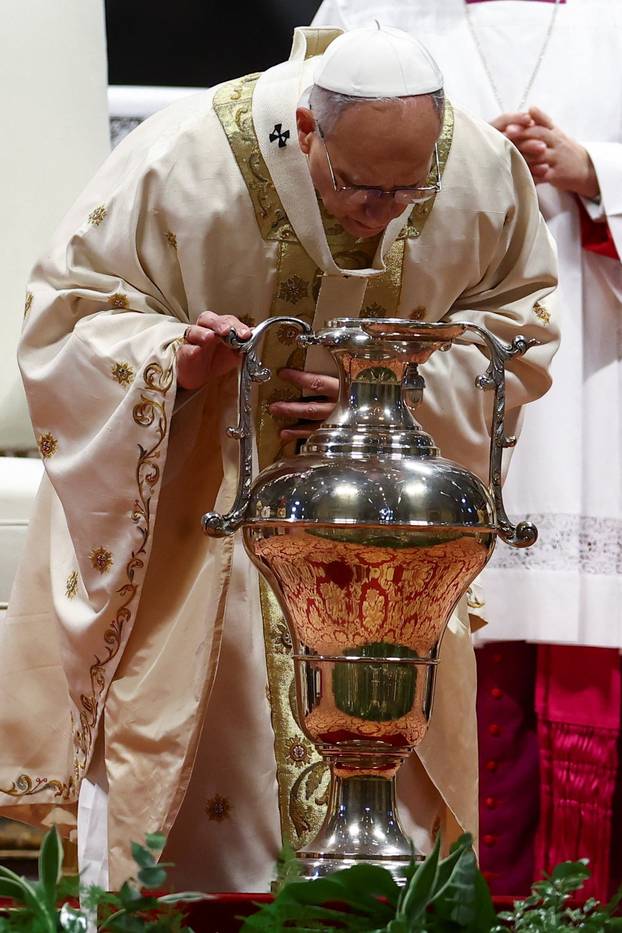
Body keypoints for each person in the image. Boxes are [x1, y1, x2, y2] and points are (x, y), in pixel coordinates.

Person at [0, 24, 559, 892]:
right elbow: (67, 318)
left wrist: (389, 397)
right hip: (210, 513)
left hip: (386, 535)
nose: (382, 213)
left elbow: (521, 331)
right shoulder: (184, 159)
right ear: (305, 130)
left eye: (408, 190)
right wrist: (177, 361)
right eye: (361, 186)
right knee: (210, 766)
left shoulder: (482, 171)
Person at [312, 0, 622, 899]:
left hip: (594, 390)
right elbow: (295, 169)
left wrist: (596, 168)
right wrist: (427, 164)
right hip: (415, 393)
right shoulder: (369, 14)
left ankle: (568, 908)